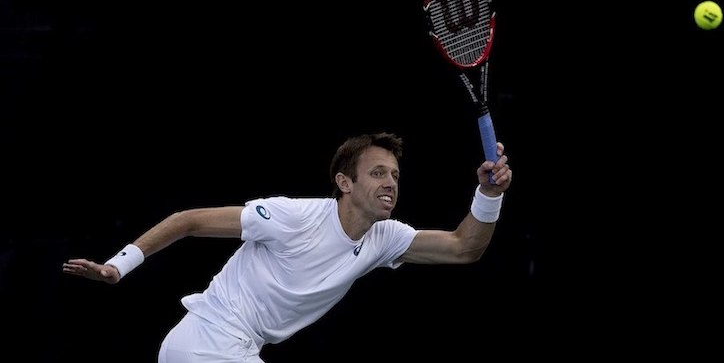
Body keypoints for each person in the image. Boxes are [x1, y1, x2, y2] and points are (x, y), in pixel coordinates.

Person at [62, 132, 512, 362]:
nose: (390, 183)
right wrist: (118, 266)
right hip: (207, 342)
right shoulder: (292, 216)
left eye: (395, 175)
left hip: (234, 348)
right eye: (377, 173)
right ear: (344, 182)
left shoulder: (384, 238)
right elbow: (188, 220)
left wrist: (489, 194)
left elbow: (463, 248)